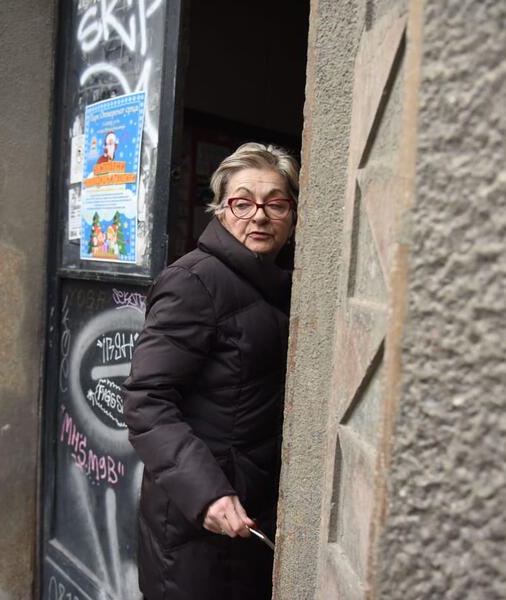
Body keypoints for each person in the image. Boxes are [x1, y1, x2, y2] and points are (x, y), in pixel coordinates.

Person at [123, 142, 298, 600]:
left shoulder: (286, 283)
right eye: (243, 203)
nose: (259, 216)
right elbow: (147, 401)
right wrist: (207, 493)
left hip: (255, 510)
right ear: (220, 210)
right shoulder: (194, 282)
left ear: (293, 215)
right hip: (198, 518)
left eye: (275, 204)